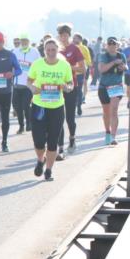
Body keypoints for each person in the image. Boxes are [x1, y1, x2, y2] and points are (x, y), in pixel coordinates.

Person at [27, 39, 74, 181]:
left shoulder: (64, 65)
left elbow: (70, 82)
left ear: (58, 50)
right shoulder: (37, 64)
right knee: (38, 140)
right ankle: (41, 159)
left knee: (53, 141)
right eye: (48, 50)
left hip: (56, 107)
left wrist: (68, 88)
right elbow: (29, 80)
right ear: (44, 50)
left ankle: (48, 170)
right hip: (39, 106)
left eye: (53, 49)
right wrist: (32, 88)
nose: (51, 52)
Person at [55, 24, 85, 158]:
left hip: (71, 86)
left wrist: (68, 68)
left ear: (69, 36)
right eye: (61, 35)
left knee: (70, 118)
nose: (63, 38)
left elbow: (82, 69)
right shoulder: (55, 49)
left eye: (66, 35)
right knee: (58, 118)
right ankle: (60, 147)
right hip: (56, 87)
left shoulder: (75, 49)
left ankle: (72, 138)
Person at [97, 37, 128, 145]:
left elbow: (125, 66)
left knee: (114, 110)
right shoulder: (103, 56)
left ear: (117, 45)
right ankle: (107, 132)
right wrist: (114, 62)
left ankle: (113, 137)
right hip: (104, 87)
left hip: (116, 86)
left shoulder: (121, 55)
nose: (112, 46)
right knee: (106, 112)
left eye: (114, 44)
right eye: (109, 44)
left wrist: (123, 67)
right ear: (107, 46)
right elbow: (101, 69)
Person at [13, 34, 40, 135]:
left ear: (29, 41)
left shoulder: (34, 51)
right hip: (17, 84)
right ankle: (21, 126)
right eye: (22, 40)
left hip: (29, 84)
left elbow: (39, 64)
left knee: (25, 105)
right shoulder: (15, 51)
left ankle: (29, 123)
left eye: (26, 41)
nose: (24, 42)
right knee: (17, 107)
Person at [72, 32, 93, 115]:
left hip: (80, 72)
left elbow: (88, 60)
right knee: (71, 90)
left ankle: (79, 106)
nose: (74, 40)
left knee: (78, 90)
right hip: (71, 72)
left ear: (80, 39)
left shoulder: (84, 48)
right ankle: (72, 106)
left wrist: (86, 67)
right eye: (73, 38)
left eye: (76, 38)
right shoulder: (70, 47)